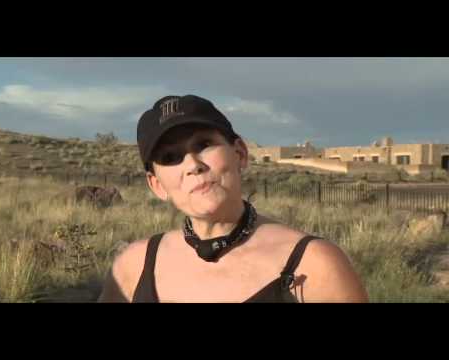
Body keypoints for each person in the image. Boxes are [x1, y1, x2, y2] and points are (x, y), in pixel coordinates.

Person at [98, 94, 368, 303]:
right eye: (170, 157)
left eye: (203, 144)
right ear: (157, 185)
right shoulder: (133, 267)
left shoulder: (315, 264)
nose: (192, 164)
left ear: (239, 153)